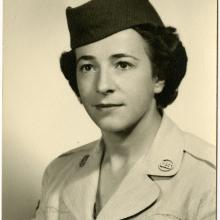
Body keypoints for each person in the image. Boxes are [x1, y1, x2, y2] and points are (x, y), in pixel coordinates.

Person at [32, 0, 216, 219]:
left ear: (158, 77)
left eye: (122, 65)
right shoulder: (58, 174)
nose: (102, 86)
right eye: (88, 67)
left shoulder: (209, 179)